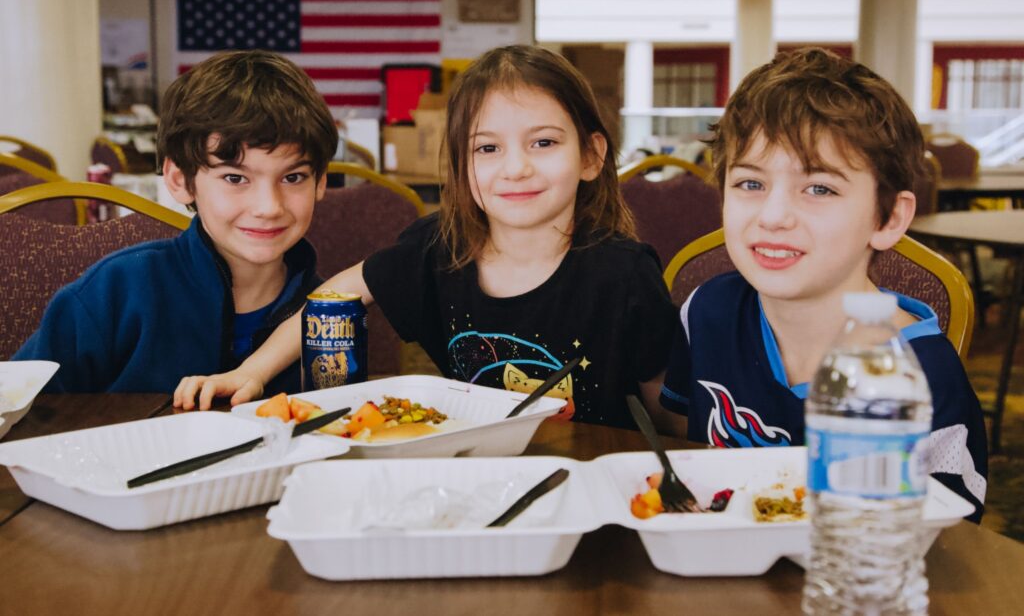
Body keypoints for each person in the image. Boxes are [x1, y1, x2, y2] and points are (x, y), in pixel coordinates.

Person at [175, 44, 678, 430]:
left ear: (591, 156)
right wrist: (254, 371)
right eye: (487, 148)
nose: (516, 168)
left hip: (589, 483)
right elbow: (336, 295)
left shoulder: (625, 274)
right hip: (472, 480)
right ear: (460, 163)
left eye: (543, 142)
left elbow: (666, 410)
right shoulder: (439, 249)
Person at [659, 48, 988, 520]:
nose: (773, 217)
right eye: (751, 184)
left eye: (819, 189)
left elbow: (952, 539)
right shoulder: (707, 310)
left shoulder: (922, 375)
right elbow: (679, 440)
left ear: (890, 217)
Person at [14, 50, 338, 394]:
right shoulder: (115, 293)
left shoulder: (332, 314)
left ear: (320, 182)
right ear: (180, 180)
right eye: (234, 178)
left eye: (293, 178)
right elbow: (20, 410)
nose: (269, 207)